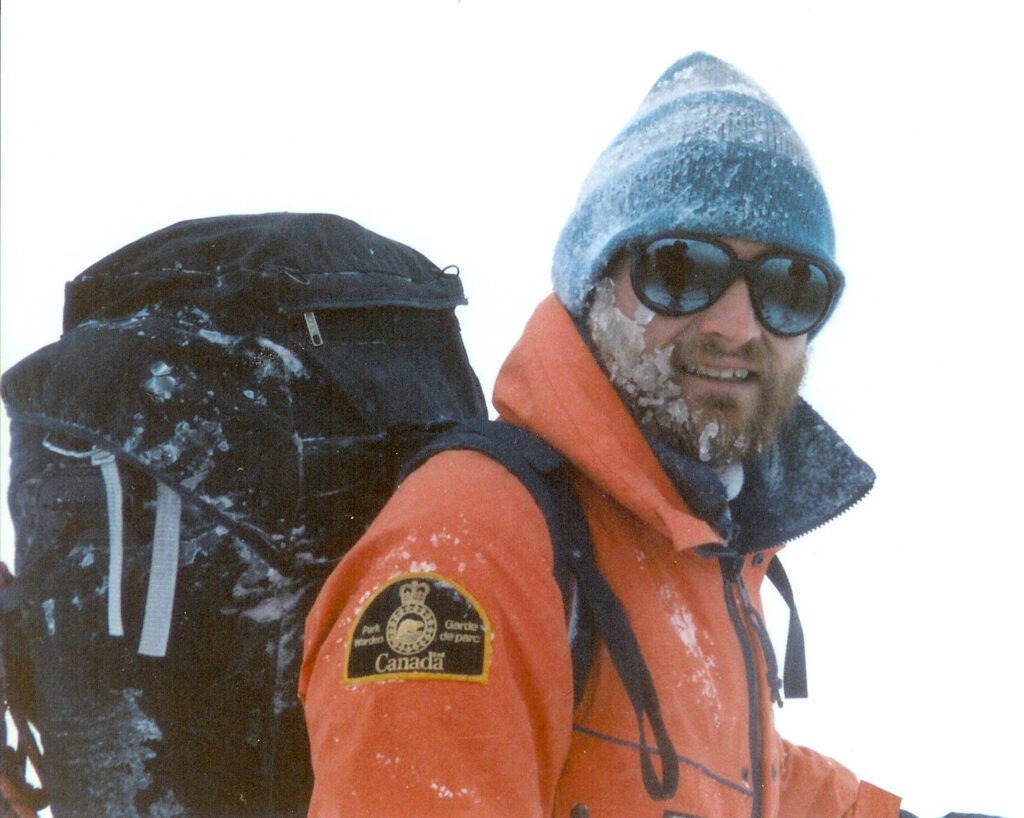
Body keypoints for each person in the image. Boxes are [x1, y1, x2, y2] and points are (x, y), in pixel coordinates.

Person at [298, 52, 912, 817]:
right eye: (684, 270)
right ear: (598, 285)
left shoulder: (695, 544)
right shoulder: (474, 548)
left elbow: (731, 768)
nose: (737, 324)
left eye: (789, 286)